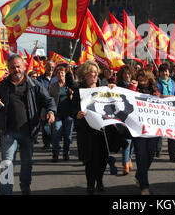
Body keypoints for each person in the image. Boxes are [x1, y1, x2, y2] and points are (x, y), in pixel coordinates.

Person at [0, 54, 56, 195]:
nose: (16, 70)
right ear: (8, 68)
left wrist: (51, 111)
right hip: (8, 132)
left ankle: (25, 187)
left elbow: (48, 100)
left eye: (18, 66)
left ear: (24, 67)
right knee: (7, 164)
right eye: (13, 67)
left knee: (27, 164)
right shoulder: (2, 86)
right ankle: (5, 192)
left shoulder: (34, 85)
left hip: (28, 132)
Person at [67, 60, 110, 194]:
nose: (95, 74)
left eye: (96, 72)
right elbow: (72, 109)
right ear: (85, 74)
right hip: (86, 130)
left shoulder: (104, 87)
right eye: (92, 72)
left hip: (102, 130)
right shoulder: (79, 90)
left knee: (102, 158)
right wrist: (77, 114)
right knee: (90, 159)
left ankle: (100, 181)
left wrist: (113, 89)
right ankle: (90, 184)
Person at [132, 68, 161, 195]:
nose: (140, 78)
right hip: (138, 130)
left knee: (150, 155)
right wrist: (133, 88)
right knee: (141, 157)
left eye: (143, 76)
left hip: (153, 130)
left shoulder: (155, 91)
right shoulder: (133, 89)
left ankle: (139, 175)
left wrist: (158, 98)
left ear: (149, 77)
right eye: (139, 76)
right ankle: (144, 186)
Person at [49, 65, 74, 162]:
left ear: (65, 74)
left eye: (62, 73)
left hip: (69, 114)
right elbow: (49, 99)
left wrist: (72, 93)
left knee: (68, 135)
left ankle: (66, 153)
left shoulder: (70, 85)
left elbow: (77, 98)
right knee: (56, 134)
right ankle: (55, 154)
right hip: (57, 114)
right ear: (56, 75)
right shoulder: (53, 86)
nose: (60, 74)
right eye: (58, 73)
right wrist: (46, 112)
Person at [116, 65, 137, 175]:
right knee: (127, 141)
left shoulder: (135, 85)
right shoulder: (118, 86)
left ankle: (129, 158)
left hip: (133, 117)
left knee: (133, 140)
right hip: (122, 118)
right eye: (125, 74)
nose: (127, 76)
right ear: (122, 75)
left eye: (129, 73)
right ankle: (125, 164)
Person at [155, 63, 175, 162]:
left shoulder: (172, 82)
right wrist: (168, 97)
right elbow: (157, 96)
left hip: (172, 110)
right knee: (159, 131)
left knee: (173, 133)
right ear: (159, 73)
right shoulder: (156, 83)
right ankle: (158, 150)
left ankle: (172, 154)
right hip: (160, 110)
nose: (165, 73)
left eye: (166, 71)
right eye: (163, 71)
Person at [37, 61, 57, 150]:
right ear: (45, 67)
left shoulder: (57, 78)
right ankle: (47, 143)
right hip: (44, 105)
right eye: (49, 67)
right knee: (45, 126)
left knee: (55, 126)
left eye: (52, 67)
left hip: (56, 104)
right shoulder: (40, 79)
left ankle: (54, 142)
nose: (50, 68)